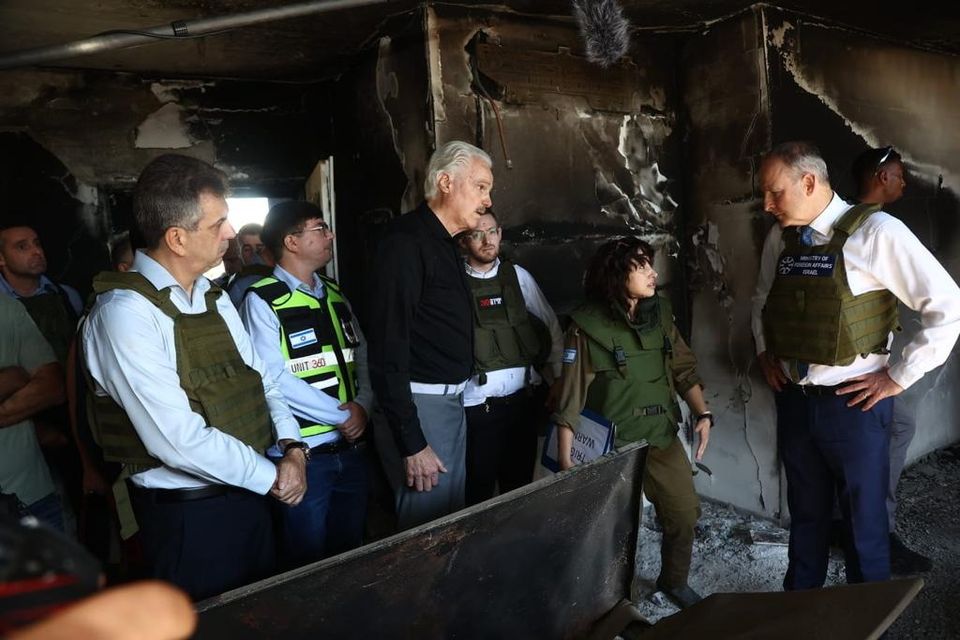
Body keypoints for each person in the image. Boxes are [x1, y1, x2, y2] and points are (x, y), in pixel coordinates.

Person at [81, 154, 308, 600]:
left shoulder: (213, 297)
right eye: (219, 222)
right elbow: (177, 440)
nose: (231, 233)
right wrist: (275, 477)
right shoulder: (125, 315)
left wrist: (294, 448)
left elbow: (263, 381)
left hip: (254, 492)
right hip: (191, 520)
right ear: (177, 239)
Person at [751, 141, 960, 591]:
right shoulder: (780, 237)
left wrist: (898, 377)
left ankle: (869, 624)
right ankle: (802, 616)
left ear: (808, 182)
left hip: (855, 406)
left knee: (865, 531)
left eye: (774, 193)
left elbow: (947, 306)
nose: (767, 205)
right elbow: (762, 300)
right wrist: (765, 350)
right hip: (795, 402)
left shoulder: (878, 233)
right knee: (805, 523)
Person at [553, 236, 712, 609]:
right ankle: (610, 605)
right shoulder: (586, 327)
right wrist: (566, 461)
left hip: (659, 435)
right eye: (640, 266)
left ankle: (674, 581)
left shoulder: (659, 314)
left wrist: (703, 413)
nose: (652, 273)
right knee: (609, 530)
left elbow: (683, 369)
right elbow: (570, 398)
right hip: (612, 446)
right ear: (615, 274)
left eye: (649, 264)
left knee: (683, 512)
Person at [367, 140, 493, 530]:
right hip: (420, 408)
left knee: (448, 521)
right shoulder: (406, 244)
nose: (487, 201)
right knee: (427, 533)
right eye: (481, 187)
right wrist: (413, 442)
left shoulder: (444, 245)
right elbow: (388, 346)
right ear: (445, 182)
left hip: (447, 404)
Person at [241, 201, 372, 567]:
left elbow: (361, 355)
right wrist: (341, 415)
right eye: (320, 228)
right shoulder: (263, 300)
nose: (329, 235)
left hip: (352, 450)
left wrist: (363, 406)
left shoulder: (333, 292)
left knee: (352, 555)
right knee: (307, 562)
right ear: (292, 242)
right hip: (305, 457)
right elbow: (272, 377)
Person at [848, 146, 931, 575]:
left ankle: (863, 528)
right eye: (898, 175)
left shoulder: (832, 223)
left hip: (840, 368)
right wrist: (898, 377)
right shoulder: (880, 227)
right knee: (895, 426)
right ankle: (876, 532)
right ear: (881, 176)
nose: (904, 183)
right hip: (858, 372)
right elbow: (947, 306)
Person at [458, 211, 563, 505]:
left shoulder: (517, 276)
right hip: (477, 409)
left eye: (491, 232)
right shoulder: (455, 282)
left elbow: (551, 327)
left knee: (518, 493)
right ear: (464, 241)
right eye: (477, 234)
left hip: (521, 404)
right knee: (476, 493)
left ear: (500, 234)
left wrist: (557, 380)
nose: (486, 240)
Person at [0, 295, 66, 531]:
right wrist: (11, 380)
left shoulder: (5, 307)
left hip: (33, 498)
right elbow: (18, 378)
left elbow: (52, 386)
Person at [0, 224, 83, 364]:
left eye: (37, 244)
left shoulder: (67, 296)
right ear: (1, 258)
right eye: (22, 247)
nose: (37, 251)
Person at [227, 222, 275, 307]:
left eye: (260, 247)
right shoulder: (238, 287)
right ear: (239, 253)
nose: (255, 253)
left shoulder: (284, 275)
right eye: (247, 249)